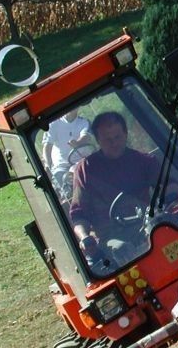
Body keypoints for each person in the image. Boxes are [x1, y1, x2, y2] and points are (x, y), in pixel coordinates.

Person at [69, 111, 161, 264]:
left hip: (147, 225)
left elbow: (169, 187)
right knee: (122, 249)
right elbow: (79, 215)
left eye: (117, 137)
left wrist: (168, 197)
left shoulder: (144, 161)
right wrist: (85, 237)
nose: (114, 143)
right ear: (98, 141)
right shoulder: (85, 170)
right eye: (107, 140)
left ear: (125, 134)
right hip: (111, 237)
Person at [42, 109, 92, 187]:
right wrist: (48, 165)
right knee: (60, 182)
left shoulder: (84, 122)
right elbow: (47, 146)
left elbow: (86, 136)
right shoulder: (53, 124)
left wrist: (78, 143)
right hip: (61, 166)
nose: (71, 109)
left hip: (82, 162)